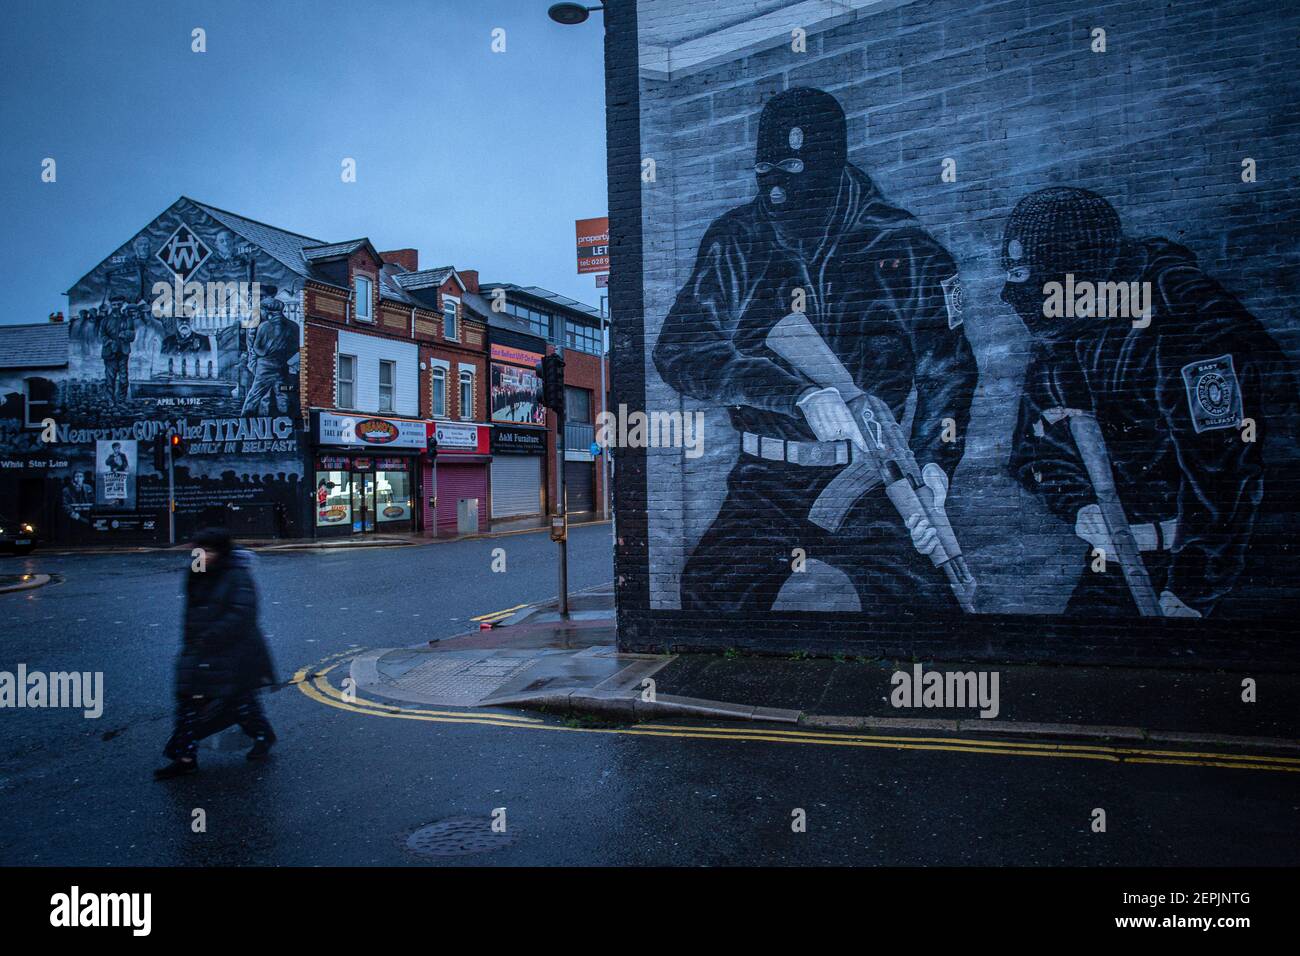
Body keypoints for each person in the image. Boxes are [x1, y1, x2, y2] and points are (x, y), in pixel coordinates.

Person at [652, 86, 978, 613]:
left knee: (925, 607)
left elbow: (949, 370)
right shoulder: (737, 239)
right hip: (764, 480)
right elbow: (680, 349)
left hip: (872, 474)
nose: (776, 188)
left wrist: (935, 467)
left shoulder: (904, 247)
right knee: (708, 594)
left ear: (831, 159)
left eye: (792, 166)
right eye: (765, 169)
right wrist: (796, 394)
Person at [1004, 187, 1299, 618]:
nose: (1015, 294)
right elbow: (1035, 444)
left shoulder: (1188, 322)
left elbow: (1227, 472)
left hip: (1234, 560)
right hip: (1130, 557)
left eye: (1032, 276)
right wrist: (1082, 506)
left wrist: (1192, 591)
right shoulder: (1065, 328)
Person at [156, 528, 278, 779]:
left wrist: (212, 636)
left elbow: (242, 613)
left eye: (208, 549)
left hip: (233, 653)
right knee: (188, 702)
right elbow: (193, 612)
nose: (200, 554)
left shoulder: (237, 575)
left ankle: (263, 735)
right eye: (198, 548)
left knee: (240, 702)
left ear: (221, 551)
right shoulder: (196, 572)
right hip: (198, 651)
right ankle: (185, 757)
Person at [240, 295, 297, 416]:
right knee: (282, 395)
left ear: (267, 311)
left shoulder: (264, 326)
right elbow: (295, 348)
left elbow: (257, 348)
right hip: (282, 366)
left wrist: (264, 354)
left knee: (254, 395)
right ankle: (287, 423)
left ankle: (244, 421)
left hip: (265, 366)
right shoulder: (293, 326)